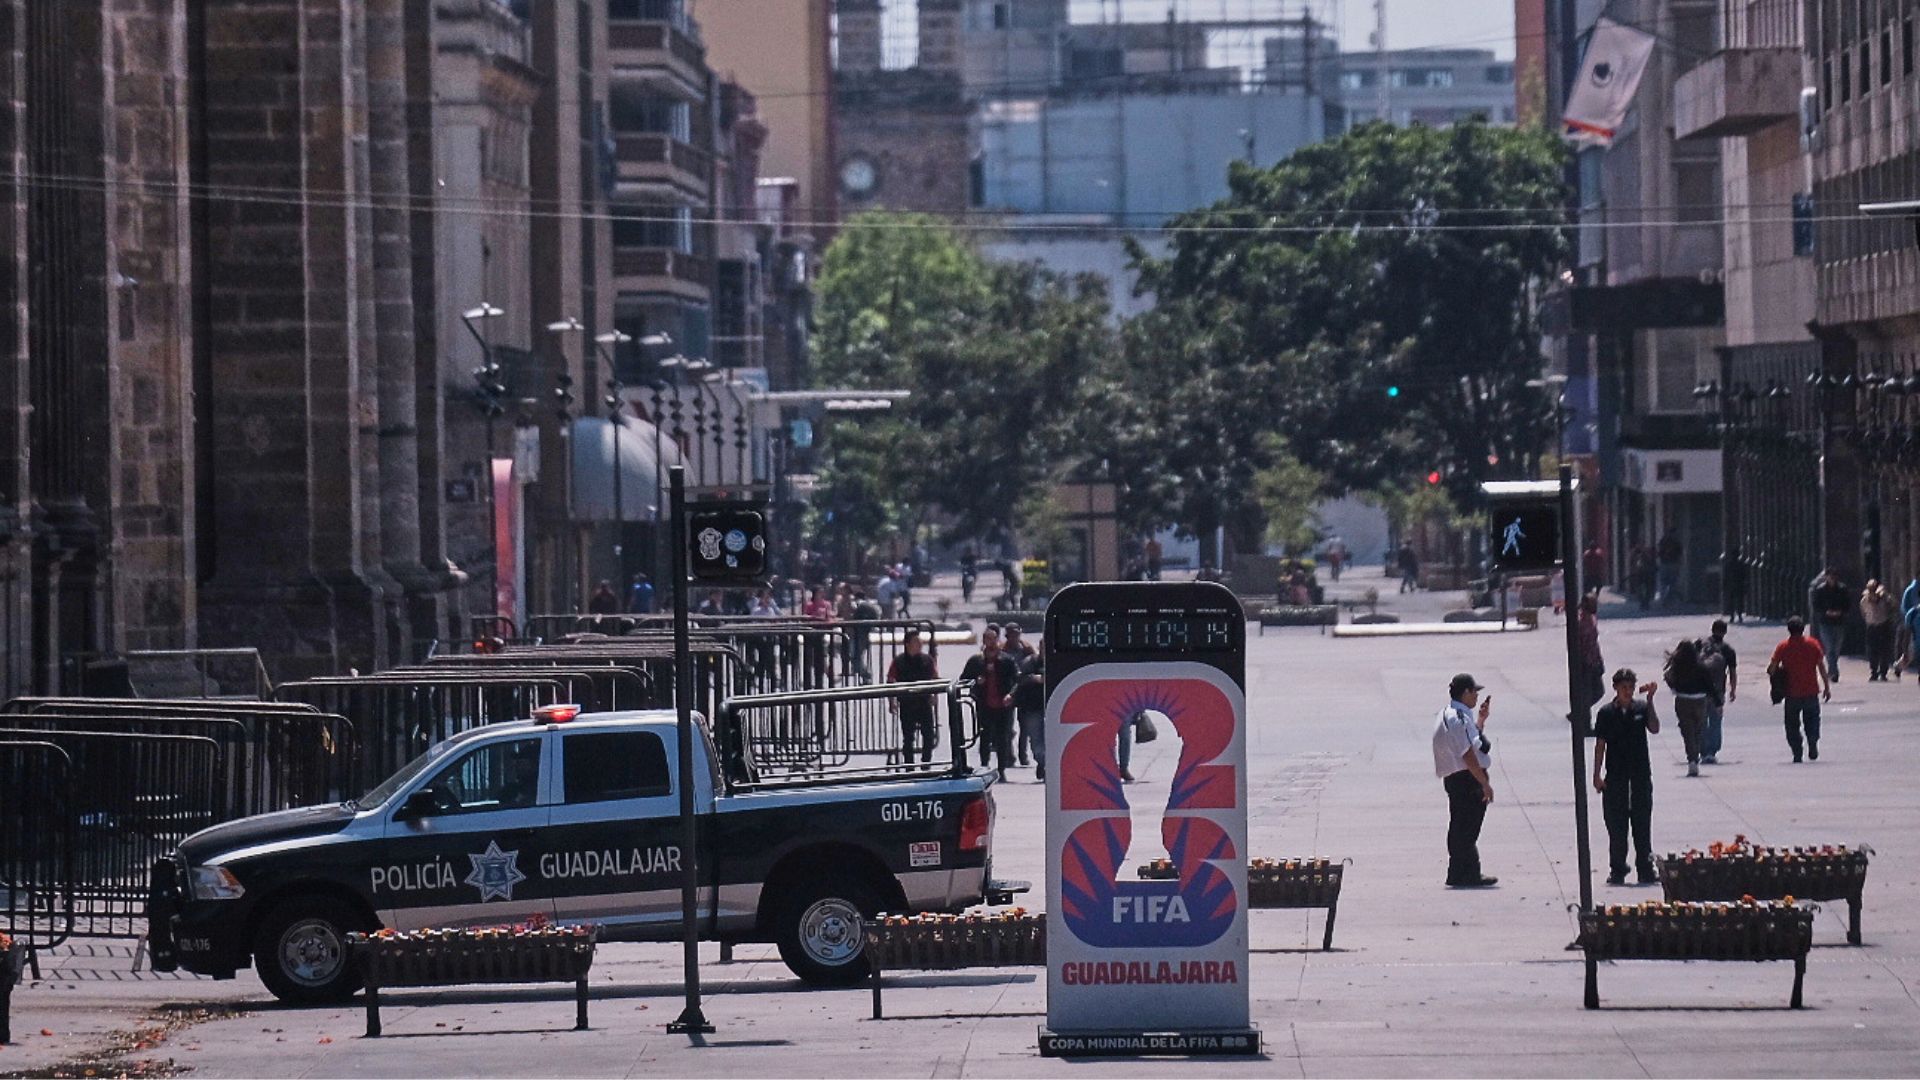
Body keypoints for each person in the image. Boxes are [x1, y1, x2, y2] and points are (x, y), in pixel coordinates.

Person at [1592, 669, 1661, 886]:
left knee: (1642, 825)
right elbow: (1600, 745)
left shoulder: (1640, 709)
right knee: (1617, 828)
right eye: (1624, 687)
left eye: (1631, 687)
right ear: (1615, 688)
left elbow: (1654, 728)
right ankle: (1618, 869)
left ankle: (1645, 868)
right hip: (1616, 778)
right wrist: (1596, 774)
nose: (1628, 692)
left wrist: (1650, 700)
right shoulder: (1606, 713)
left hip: (1640, 776)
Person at [1432, 673, 1496, 888]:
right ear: (1465, 692)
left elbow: (1470, 741)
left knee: (1460, 826)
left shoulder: (1450, 713)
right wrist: (1484, 783)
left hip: (1457, 777)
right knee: (1467, 829)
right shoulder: (1458, 718)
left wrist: (1481, 721)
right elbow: (1467, 753)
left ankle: (1458, 872)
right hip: (1466, 778)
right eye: (1474, 692)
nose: (1477, 696)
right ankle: (1467, 874)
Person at [1768, 616, 1832, 763]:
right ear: (1803, 629)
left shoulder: (1783, 646)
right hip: (1811, 691)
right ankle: (1812, 743)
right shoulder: (1813, 644)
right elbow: (1821, 667)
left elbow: (1772, 669)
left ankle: (1797, 751)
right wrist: (1826, 687)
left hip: (1791, 693)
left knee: (1792, 725)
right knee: (1813, 721)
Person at [960, 625, 1020, 780]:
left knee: (1003, 738)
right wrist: (976, 681)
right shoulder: (976, 661)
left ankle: (1001, 770)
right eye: (988, 639)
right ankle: (984, 766)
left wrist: (1011, 695)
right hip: (984, 705)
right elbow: (963, 680)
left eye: (994, 639)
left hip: (1003, 706)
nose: (991, 642)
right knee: (985, 737)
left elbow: (1017, 680)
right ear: (984, 641)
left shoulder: (1007, 660)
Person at [886, 629, 940, 764]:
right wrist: (892, 701)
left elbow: (935, 678)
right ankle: (909, 766)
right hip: (907, 703)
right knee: (908, 738)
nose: (920, 644)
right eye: (916, 641)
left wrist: (935, 695)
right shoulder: (899, 661)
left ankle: (926, 764)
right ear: (907, 644)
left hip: (924, 702)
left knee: (929, 736)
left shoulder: (927, 660)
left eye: (920, 641)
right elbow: (890, 680)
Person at [1663, 638, 1713, 777]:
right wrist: (1717, 701)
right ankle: (1695, 756)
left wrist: (1674, 688)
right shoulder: (1701, 666)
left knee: (1687, 731)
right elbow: (1709, 684)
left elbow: (1668, 677)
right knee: (1698, 730)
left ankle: (1692, 759)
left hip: (1683, 700)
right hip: (1700, 700)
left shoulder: (1677, 666)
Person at [1700, 619, 1737, 764]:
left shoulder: (1700, 644)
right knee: (1715, 721)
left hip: (1700, 690)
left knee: (1702, 721)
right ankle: (1712, 751)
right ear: (1725, 632)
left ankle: (1703, 750)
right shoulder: (1728, 650)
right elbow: (1732, 672)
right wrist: (1733, 690)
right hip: (1718, 691)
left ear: (1712, 629)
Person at [1001, 624, 1037, 766]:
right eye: (1012, 635)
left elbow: (1035, 663)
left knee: (1025, 727)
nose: (1015, 637)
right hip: (1007, 690)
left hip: (1024, 691)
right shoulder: (1002, 650)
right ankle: (1009, 755)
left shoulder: (1027, 649)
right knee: (1007, 726)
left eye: (1017, 634)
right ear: (1007, 636)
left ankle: (1023, 755)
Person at [1015, 639, 1047, 780]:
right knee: (1036, 742)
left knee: (1053, 740)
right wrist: (1033, 678)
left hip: (1053, 708)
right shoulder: (1029, 662)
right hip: (1033, 708)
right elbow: (1019, 680)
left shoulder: (1057, 663)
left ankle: (1048, 766)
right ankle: (1043, 762)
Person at [1808, 568, 1849, 681]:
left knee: (1836, 648)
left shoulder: (1842, 589)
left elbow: (1847, 604)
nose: (1832, 579)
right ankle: (1834, 672)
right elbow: (1816, 606)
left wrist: (1841, 612)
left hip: (1839, 622)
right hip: (1825, 622)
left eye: (1834, 576)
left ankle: (1832, 669)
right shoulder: (1820, 590)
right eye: (1830, 576)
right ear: (1826, 577)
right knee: (1829, 647)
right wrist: (1826, 612)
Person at [1862, 580, 1898, 681]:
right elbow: (1863, 612)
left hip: (1883, 625)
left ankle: (1883, 672)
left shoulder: (1885, 599)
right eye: (1871, 589)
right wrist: (1869, 620)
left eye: (1874, 589)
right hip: (1872, 626)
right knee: (1872, 651)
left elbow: (1894, 605)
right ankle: (1874, 672)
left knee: (1884, 650)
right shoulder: (1865, 600)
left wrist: (1886, 595)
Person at [1576, 592, 1605, 708]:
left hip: (1594, 660)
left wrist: (1599, 659)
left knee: (1598, 692)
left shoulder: (1592, 619)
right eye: (1593, 603)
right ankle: (1580, 710)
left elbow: (1594, 642)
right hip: (1586, 662)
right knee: (1592, 692)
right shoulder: (1580, 622)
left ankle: (1581, 709)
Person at [1656, 531, 1683, 605]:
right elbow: (1680, 552)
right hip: (1673, 563)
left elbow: (1659, 552)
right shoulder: (1676, 541)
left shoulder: (1663, 541)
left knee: (1663, 583)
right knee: (1673, 583)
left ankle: (1663, 599)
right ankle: (1668, 599)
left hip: (1664, 563)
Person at [1723, 549, 1748, 624]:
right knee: (1739, 601)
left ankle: (1732, 616)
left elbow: (1725, 576)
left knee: (1731, 601)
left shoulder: (1728, 565)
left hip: (1731, 585)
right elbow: (1744, 575)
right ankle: (1739, 615)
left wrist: (1724, 586)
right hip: (1739, 585)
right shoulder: (1741, 564)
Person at [1629, 544, 1656, 611]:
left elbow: (1633, 565)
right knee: (1647, 589)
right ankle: (1645, 603)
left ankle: (1643, 603)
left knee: (1640, 589)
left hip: (1640, 574)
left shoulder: (1636, 556)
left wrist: (1633, 572)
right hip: (1646, 573)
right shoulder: (1647, 554)